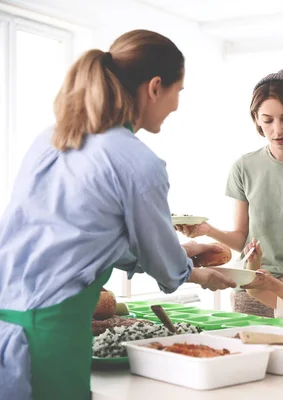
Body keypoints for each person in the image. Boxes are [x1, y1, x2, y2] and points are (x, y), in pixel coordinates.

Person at [0, 30, 237, 400]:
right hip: (50, 333)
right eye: (179, 92)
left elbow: (83, 237)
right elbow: (165, 265)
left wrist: (185, 253)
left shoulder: (54, 138)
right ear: (155, 87)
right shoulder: (138, 162)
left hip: (8, 323)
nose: (176, 105)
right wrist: (194, 271)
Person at [176, 69, 283, 317]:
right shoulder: (244, 167)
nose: (277, 130)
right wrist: (207, 230)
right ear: (256, 119)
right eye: (268, 120)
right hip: (253, 285)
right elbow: (242, 238)